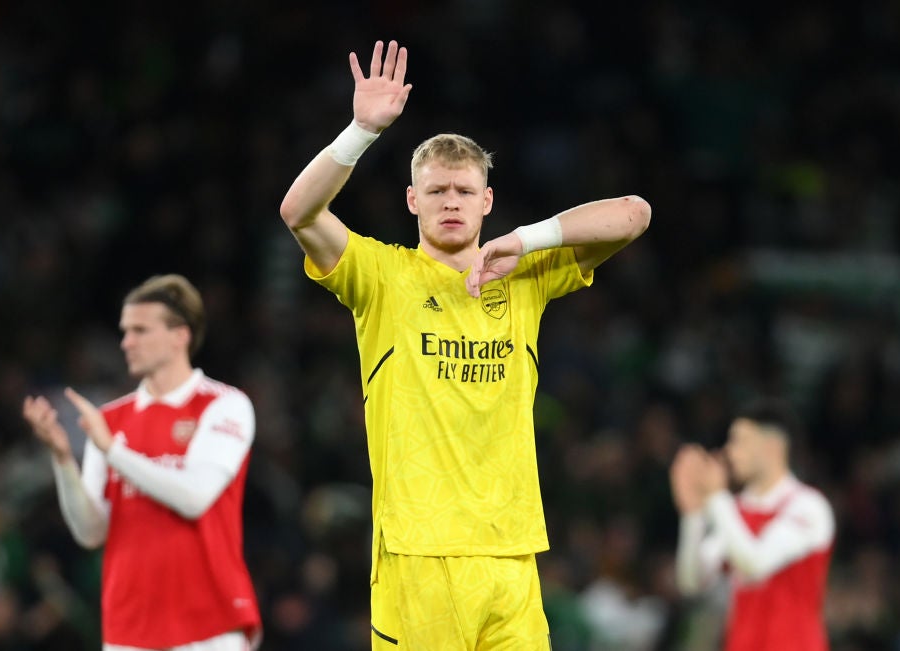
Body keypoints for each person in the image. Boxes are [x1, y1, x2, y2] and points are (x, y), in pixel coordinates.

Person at [279, 40, 651, 649]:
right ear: (411, 201)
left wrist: (529, 240)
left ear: (487, 202)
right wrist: (360, 132)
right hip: (418, 552)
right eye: (436, 191)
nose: (450, 201)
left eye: (462, 191)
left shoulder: (524, 275)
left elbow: (634, 214)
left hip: (512, 551)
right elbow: (298, 212)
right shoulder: (382, 276)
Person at [21, 274, 261, 651]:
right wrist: (63, 459)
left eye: (140, 331)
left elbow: (195, 497)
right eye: (125, 331)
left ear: (180, 335)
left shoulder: (224, 405)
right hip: (129, 627)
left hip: (209, 623)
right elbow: (90, 532)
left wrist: (114, 451)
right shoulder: (110, 420)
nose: (126, 342)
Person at [669, 397, 835, 651]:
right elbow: (691, 582)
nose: (729, 452)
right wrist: (692, 516)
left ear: (772, 447)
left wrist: (715, 497)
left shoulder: (808, 506)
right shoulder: (734, 511)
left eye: (740, 441)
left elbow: (756, 563)